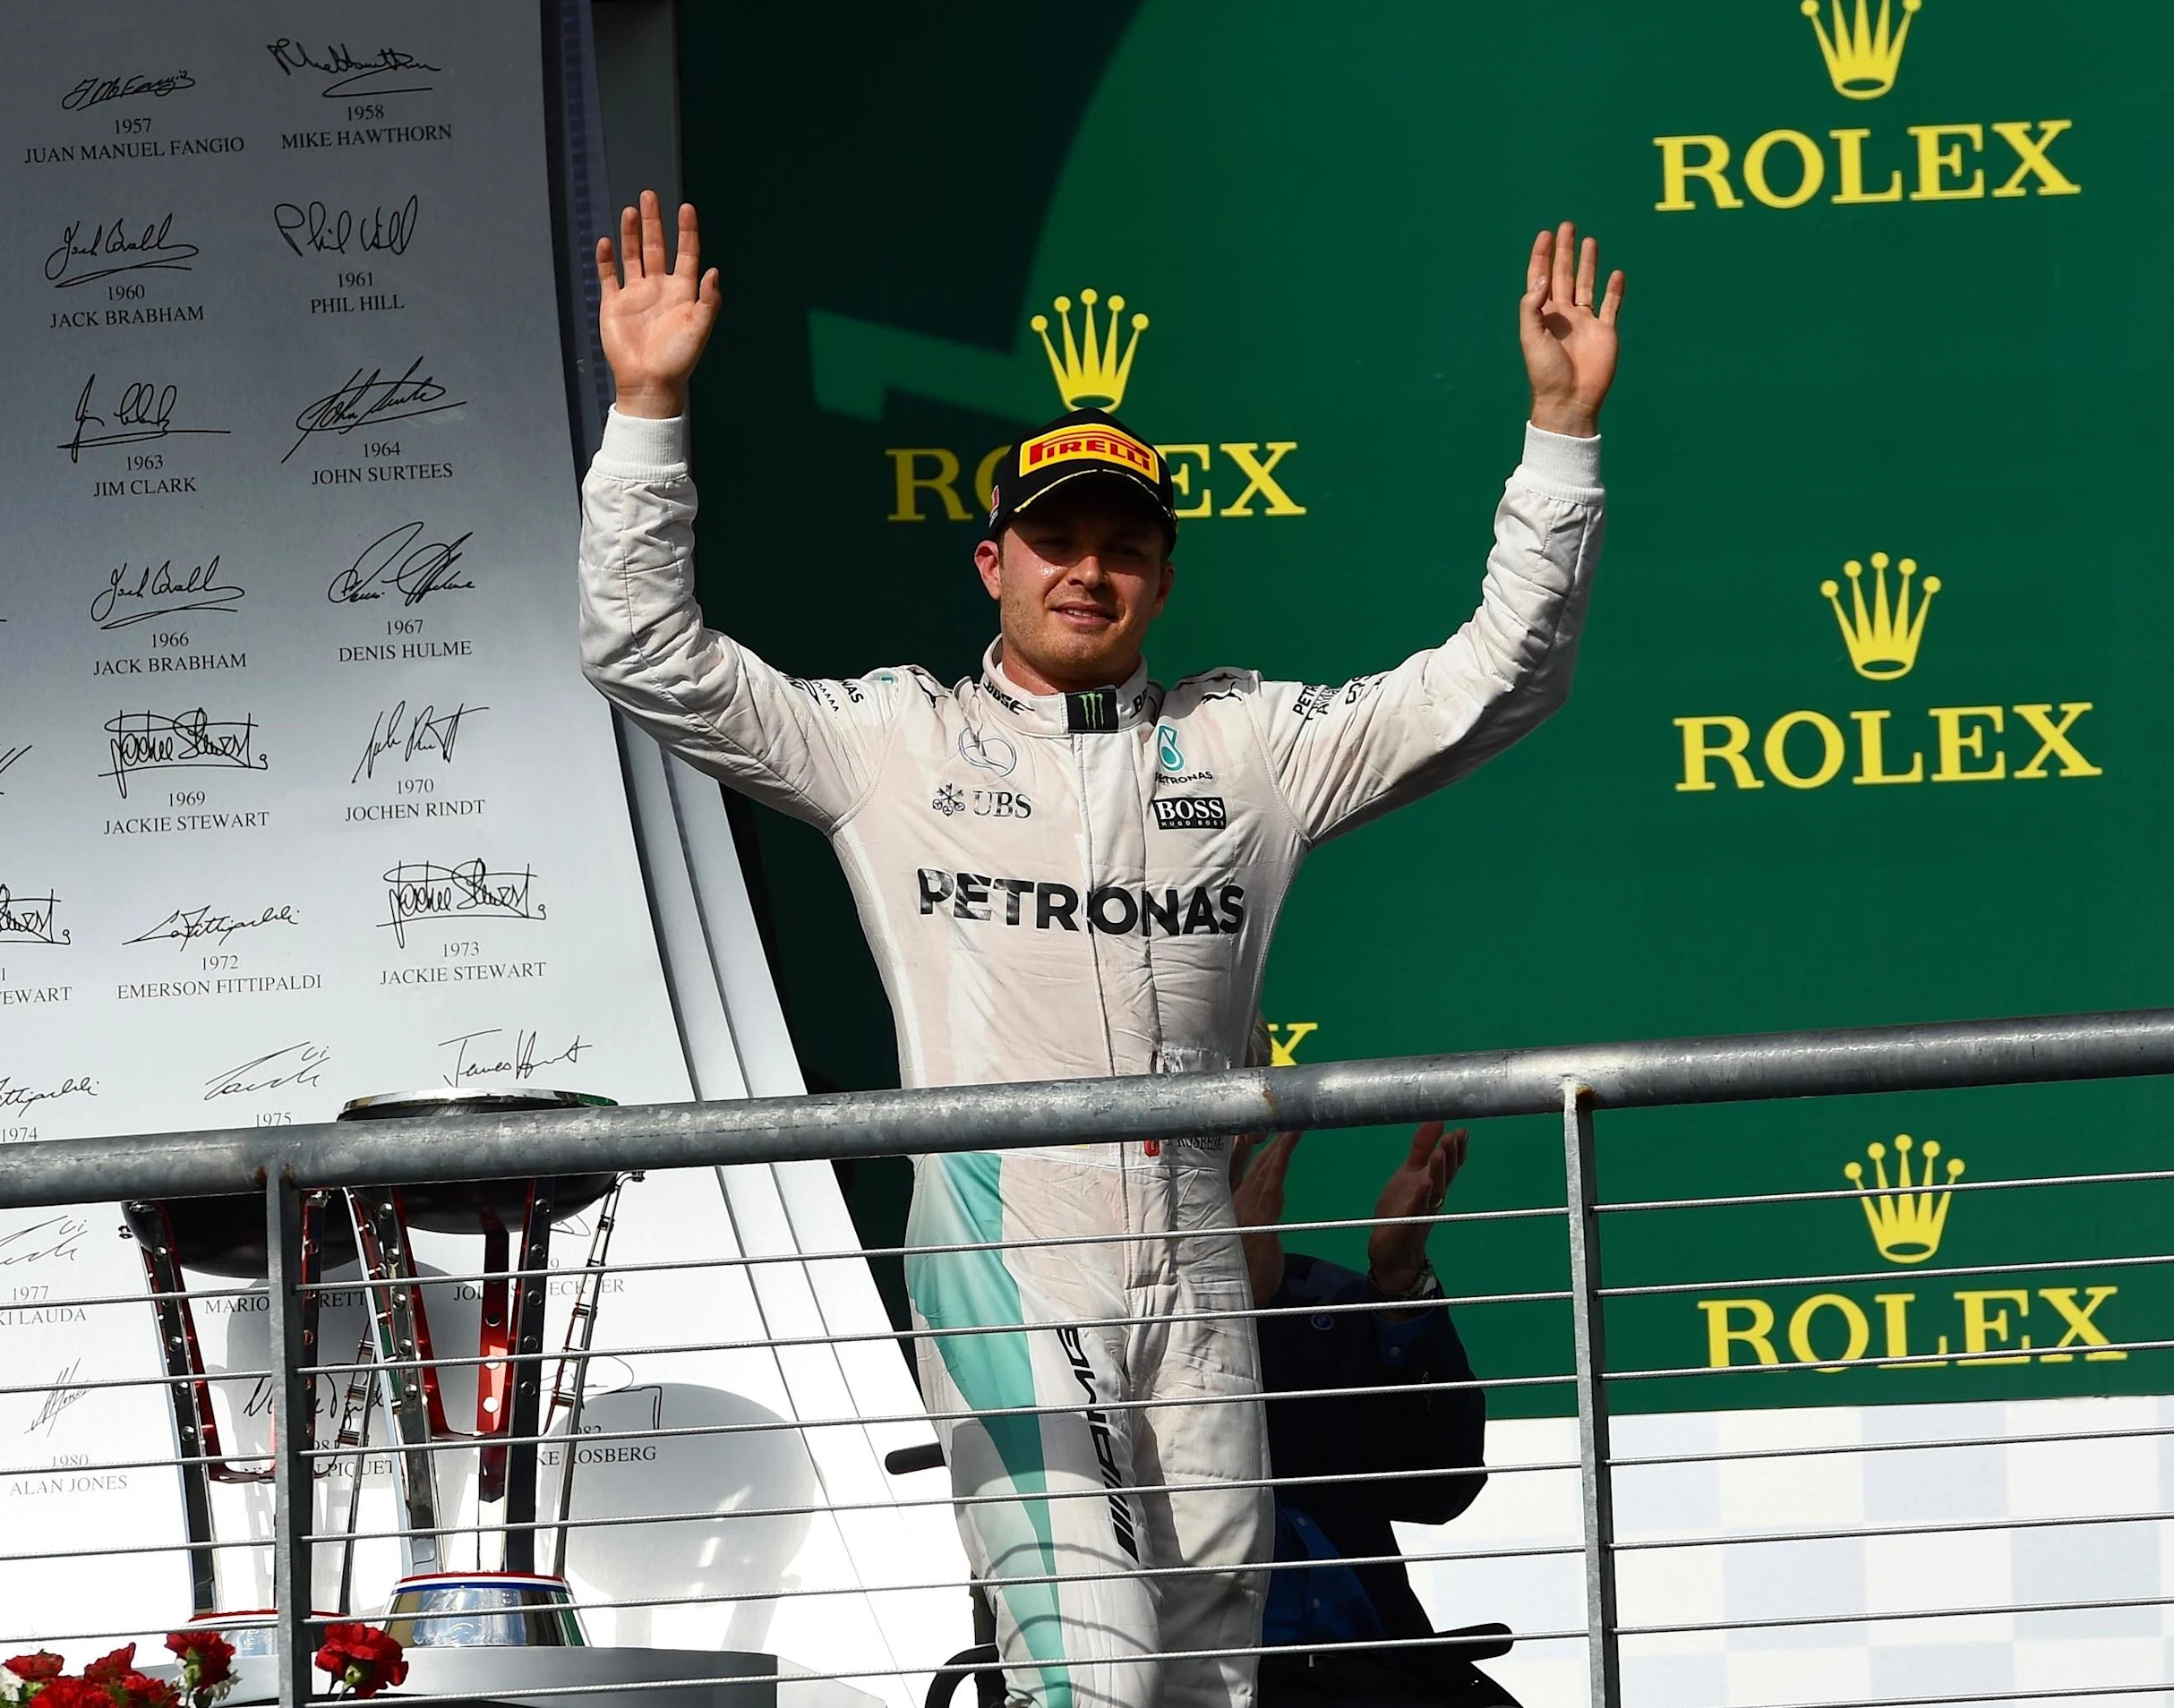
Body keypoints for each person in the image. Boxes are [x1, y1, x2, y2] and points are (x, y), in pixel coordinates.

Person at [578, 190, 1622, 1708]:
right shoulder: (888, 741)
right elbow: (644, 653)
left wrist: (1560, 443)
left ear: (1165, 575)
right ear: (987, 562)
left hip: (1197, 1258)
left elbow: (1499, 680)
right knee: (1095, 1673)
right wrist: (651, 409)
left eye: (1122, 546)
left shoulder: (1250, 743)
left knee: (1207, 1680)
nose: (1087, 569)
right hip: (1008, 1254)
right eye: (1053, 539)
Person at [1234, 1123, 1513, 1707]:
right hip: (1183, 1673)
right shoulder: (1059, 1306)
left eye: (1228, 1128)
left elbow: (1442, 1489)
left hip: (1371, 1669)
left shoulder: (1322, 1302)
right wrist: (1229, 1315)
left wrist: (1400, 1285)